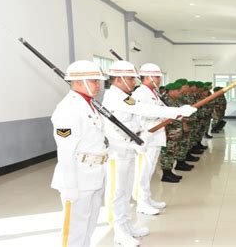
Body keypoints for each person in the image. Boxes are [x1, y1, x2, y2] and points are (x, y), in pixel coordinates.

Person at [103, 61, 196, 246]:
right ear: (119, 79)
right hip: (118, 152)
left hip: (129, 148)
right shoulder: (115, 96)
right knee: (117, 193)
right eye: (130, 78)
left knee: (126, 191)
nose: (133, 82)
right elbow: (143, 109)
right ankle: (118, 232)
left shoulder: (125, 95)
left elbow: (137, 115)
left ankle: (127, 226)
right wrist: (177, 111)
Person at [50, 60, 107, 247]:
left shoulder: (90, 105)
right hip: (77, 178)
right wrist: (70, 186)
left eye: (98, 81)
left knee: (89, 225)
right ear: (78, 82)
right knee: (74, 230)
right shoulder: (68, 108)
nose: (98, 85)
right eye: (93, 81)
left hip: (94, 175)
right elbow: (66, 152)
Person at [131, 63, 170, 216]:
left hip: (156, 137)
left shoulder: (152, 92)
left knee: (150, 170)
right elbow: (143, 113)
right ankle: (141, 202)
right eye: (156, 76)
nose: (159, 79)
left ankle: (147, 198)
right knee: (143, 171)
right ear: (148, 77)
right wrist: (166, 113)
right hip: (146, 138)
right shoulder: (140, 93)